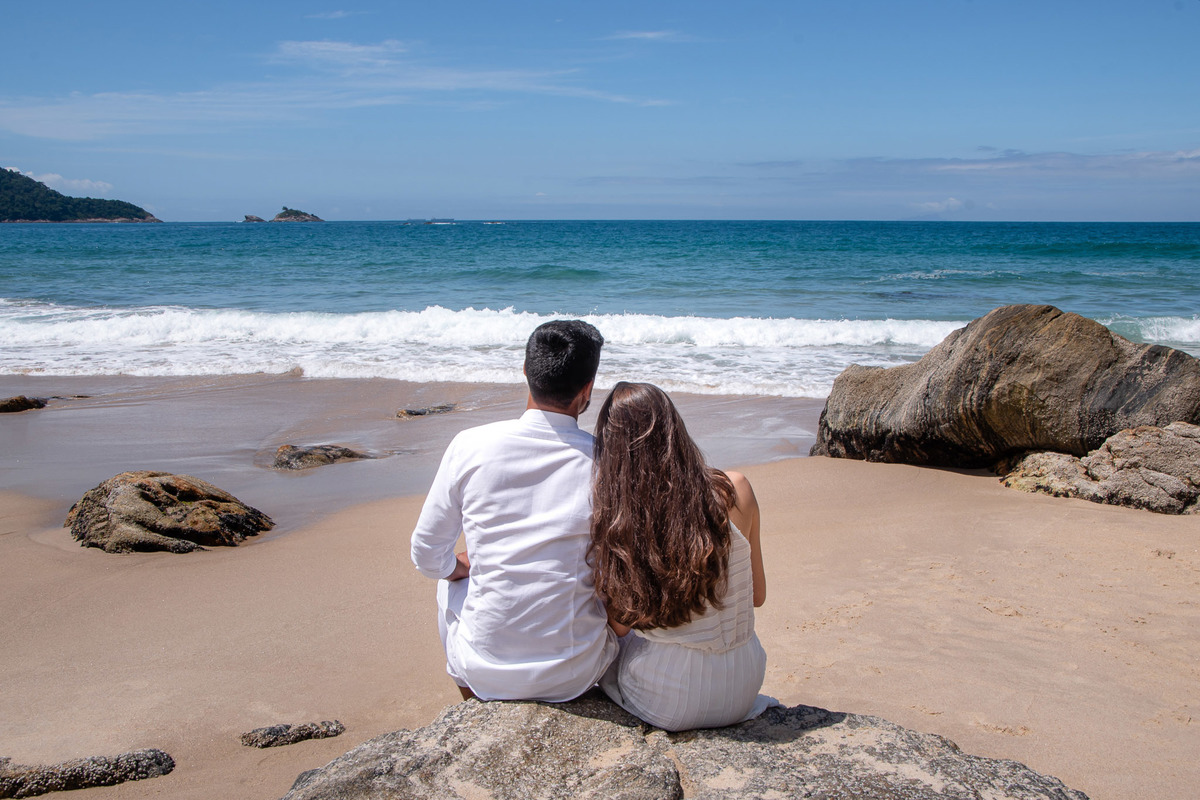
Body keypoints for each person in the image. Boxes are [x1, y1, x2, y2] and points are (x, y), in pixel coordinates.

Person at [410, 320, 618, 702]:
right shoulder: (606, 461)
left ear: (525, 371)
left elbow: (425, 553)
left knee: (447, 582)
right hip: (576, 672)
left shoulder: (470, 445)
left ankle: (472, 703)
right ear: (587, 389)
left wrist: (459, 567)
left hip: (485, 669)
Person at [590, 381, 771, 731]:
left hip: (671, 698)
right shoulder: (735, 489)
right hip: (744, 682)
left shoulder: (624, 519)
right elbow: (758, 596)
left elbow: (620, 626)